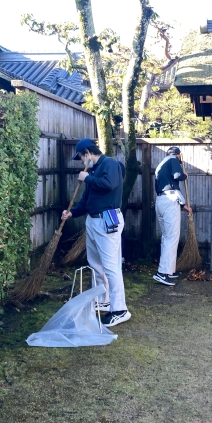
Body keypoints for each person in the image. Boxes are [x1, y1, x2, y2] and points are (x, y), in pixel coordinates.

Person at [61, 138, 130, 327]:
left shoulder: (110, 164)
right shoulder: (92, 171)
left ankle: (120, 309)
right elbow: (86, 200)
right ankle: (104, 300)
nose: (83, 162)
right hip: (93, 220)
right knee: (96, 263)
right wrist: (72, 213)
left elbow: (110, 184)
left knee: (110, 266)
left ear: (88, 153)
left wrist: (87, 178)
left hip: (108, 220)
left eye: (82, 158)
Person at [152, 146, 192, 286]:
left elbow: (167, 187)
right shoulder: (174, 160)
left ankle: (169, 270)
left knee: (166, 237)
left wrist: (182, 205)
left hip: (161, 201)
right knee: (171, 238)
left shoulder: (162, 164)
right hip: (169, 203)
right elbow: (177, 176)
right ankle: (162, 273)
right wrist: (185, 175)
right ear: (179, 155)